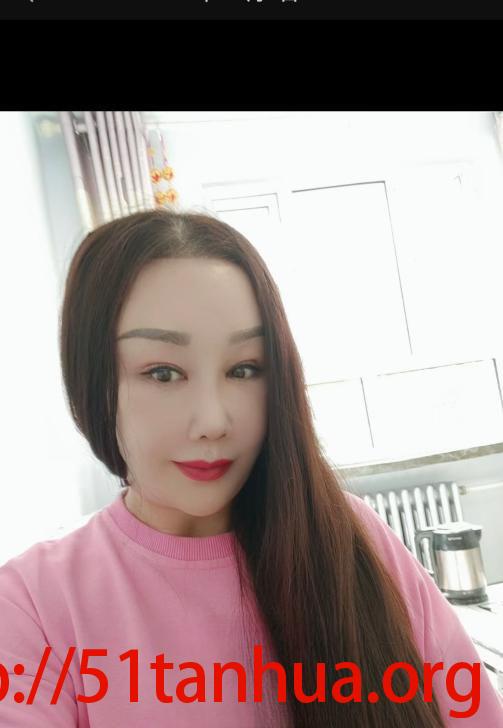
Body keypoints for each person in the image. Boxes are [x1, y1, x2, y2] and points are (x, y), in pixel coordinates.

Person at [0, 208, 501, 727]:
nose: (213, 421)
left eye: (244, 369)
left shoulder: (347, 536)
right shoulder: (33, 603)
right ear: (94, 380)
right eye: (163, 373)